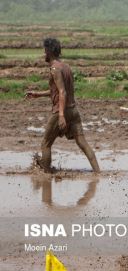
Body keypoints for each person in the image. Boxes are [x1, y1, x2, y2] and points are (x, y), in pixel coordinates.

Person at [25, 38, 100, 173]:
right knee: (82, 143)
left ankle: (46, 176)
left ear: (49, 51)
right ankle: (98, 172)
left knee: (46, 144)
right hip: (73, 110)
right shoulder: (66, 67)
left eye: (44, 51)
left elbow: (62, 92)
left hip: (61, 111)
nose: (43, 54)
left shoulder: (54, 69)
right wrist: (38, 94)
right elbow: (59, 91)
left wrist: (60, 116)